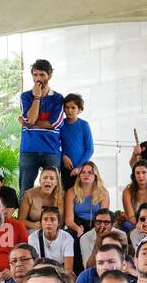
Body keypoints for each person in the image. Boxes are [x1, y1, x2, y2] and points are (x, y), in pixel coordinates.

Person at [18, 58, 65, 197]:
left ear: (49, 76)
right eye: (35, 75)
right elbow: (31, 119)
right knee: (25, 191)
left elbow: (53, 124)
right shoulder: (26, 96)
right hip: (28, 150)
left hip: (51, 150)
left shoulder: (58, 98)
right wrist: (37, 97)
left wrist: (29, 124)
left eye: (42, 75)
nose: (38, 79)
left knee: (54, 191)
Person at [64, 160, 112, 242]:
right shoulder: (71, 192)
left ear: (95, 176)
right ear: (79, 175)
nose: (86, 175)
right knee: (68, 236)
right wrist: (77, 229)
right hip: (78, 225)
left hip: (97, 226)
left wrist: (95, 230)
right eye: (83, 172)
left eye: (90, 172)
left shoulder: (103, 192)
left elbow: (104, 217)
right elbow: (68, 220)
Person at [59, 93, 94, 191]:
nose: (69, 110)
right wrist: (63, 156)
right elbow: (54, 145)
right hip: (65, 168)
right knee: (67, 194)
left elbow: (90, 149)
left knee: (82, 194)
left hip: (82, 170)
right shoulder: (60, 125)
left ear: (79, 109)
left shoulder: (84, 125)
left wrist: (79, 167)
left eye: (73, 108)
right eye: (67, 107)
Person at [27, 205, 75, 274]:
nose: (49, 223)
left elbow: (68, 268)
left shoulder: (67, 237)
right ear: (41, 223)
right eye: (45, 219)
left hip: (61, 272)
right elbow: (35, 264)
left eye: (53, 219)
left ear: (58, 223)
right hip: (41, 272)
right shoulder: (33, 237)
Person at [17, 165, 64, 231]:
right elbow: (20, 220)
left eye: (52, 178)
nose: (48, 181)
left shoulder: (62, 196)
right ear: (39, 180)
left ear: (56, 182)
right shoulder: (28, 194)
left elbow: (62, 223)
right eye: (45, 178)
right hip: (33, 230)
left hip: (55, 231)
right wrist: (33, 225)